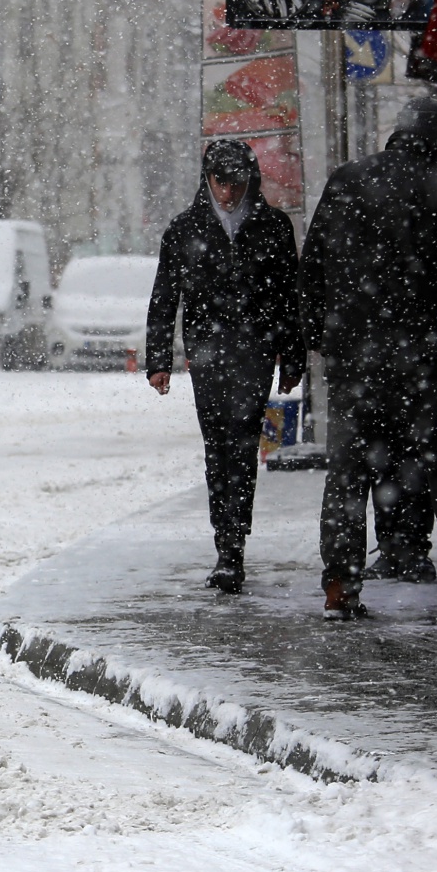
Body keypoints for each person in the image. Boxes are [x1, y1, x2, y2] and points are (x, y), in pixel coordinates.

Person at [300, 96, 437, 620]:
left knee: (348, 472)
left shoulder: (347, 179)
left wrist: (323, 338)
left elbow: (311, 266)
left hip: (355, 360)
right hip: (420, 360)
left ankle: (340, 586)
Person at [146, 140, 305, 593]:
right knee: (218, 446)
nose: (228, 193)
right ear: (208, 180)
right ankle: (226, 542)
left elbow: (286, 297)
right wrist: (159, 359)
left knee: (241, 444)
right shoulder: (185, 228)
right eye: (221, 183)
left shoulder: (272, 227)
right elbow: (164, 298)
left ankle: (233, 546)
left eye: (235, 183)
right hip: (208, 352)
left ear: (249, 180)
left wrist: (291, 355)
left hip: (254, 349)